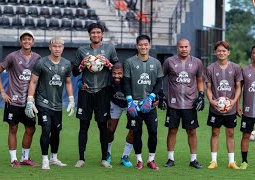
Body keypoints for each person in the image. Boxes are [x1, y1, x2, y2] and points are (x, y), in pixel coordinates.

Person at [71, 23, 118, 168]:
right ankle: (81, 158)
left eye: (98, 32)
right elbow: (75, 72)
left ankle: (104, 158)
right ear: (89, 35)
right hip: (86, 92)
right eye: (93, 33)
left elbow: (117, 71)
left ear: (102, 34)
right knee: (83, 125)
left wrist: (109, 64)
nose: (96, 35)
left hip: (103, 92)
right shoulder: (82, 50)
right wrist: (82, 66)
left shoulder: (109, 49)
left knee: (103, 126)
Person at [25, 37, 75, 170]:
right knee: (46, 129)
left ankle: (54, 158)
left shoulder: (67, 64)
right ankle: (45, 159)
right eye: (55, 46)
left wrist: (71, 100)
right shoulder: (41, 63)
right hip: (43, 103)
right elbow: (33, 82)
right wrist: (30, 99)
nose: (57, 49)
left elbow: (68, 82)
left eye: (60, 46)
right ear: (50, 47)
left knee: (56, 131)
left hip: (57, 105)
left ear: (63, 48)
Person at [0, 30, 41, 168]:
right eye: (24, 39)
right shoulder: (12, 56)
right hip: (13, 100)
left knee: (30, 129)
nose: (27, 41)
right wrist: (2, 92)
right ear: (21, 41)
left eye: (29, 39)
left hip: (29, 101)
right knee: (13, 128)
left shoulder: (37, 57)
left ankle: (25, 158)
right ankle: (14, 160)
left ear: (33, 41)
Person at [162, 38, 204, 169]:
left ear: (190, 48)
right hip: (173, 103)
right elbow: (159, 78)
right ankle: (170, 159)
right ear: (177, 48)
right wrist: (161, 94)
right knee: (172, 130)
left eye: (186, 47)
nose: (184, 49)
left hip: (190, 104)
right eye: (181, 47)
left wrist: (201, 95)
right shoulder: (169, 61)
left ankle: (193, 160)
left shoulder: (197, 62)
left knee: (192, 132)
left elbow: (200, 80)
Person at [124, 34, 163, 170]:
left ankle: (151, 160)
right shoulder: (129, 62)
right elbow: (127, 83)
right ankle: (139, 160)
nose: (143, 47)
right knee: (136, 133)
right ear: (136, 46)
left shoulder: (156, 63)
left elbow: (159, 83)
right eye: (140, 45)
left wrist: (151, 97)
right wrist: (129, 101)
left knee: (153, 132)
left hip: (150, 106)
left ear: (150, 46)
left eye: (146, 44)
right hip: (134, 105)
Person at [206, 41, 243, 169]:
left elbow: (239, 87)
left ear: (228, 52)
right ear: (215, 52)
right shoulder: (210, 68)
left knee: (231, 133)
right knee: (215, 132)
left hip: (230, 108)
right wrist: (212, 101)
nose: (221, 53)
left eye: (224, 51)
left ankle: (231, 162)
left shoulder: (236, 68)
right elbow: (209, 88)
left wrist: (234, 102)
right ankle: (213, 161)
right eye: (219, 51)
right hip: (215, 108)